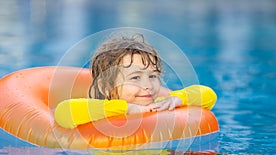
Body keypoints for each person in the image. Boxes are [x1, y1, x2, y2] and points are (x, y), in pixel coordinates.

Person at [55, 34, 217, 129]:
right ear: (105, 86)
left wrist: (178, 98)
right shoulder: (98, 111)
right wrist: (128, 109)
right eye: (135, 78)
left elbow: (208, 95)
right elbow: (63, 112)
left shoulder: (159, 105)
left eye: (153, 76)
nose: (148, 85)